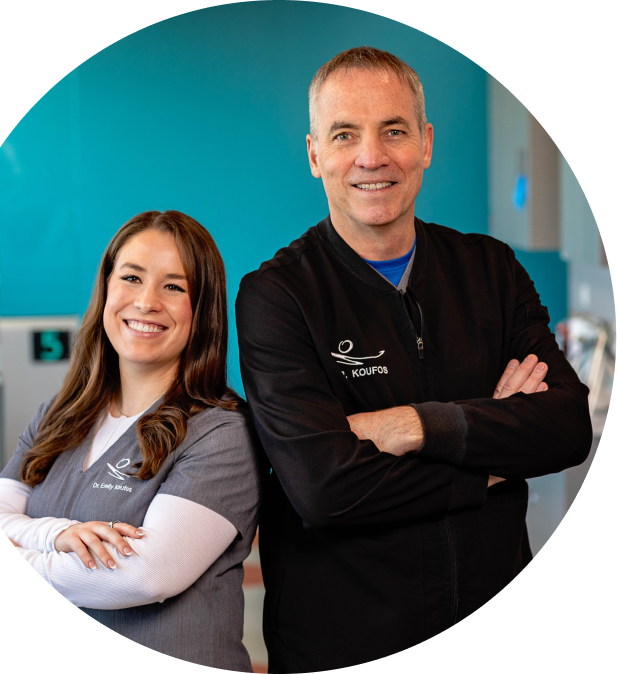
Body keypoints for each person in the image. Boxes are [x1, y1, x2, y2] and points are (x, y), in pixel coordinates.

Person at [235, 47, 592, 672]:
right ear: (317, 155)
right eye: (346, 135)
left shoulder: (492, 270)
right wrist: (489, 459)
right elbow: (324, 489)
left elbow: (566, 428)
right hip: (346, 650)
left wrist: (411, 425)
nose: (372, 157)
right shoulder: (278, 296)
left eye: (393, 130)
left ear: (425, 143)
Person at [0, 210, 261, 671]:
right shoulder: (58, 417)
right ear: (106, 290)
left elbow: (143, 575)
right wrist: (55, 535)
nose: (146, 302)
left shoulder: (222, 433)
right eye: (132, 277)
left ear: (202, 311)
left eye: (174, 286)